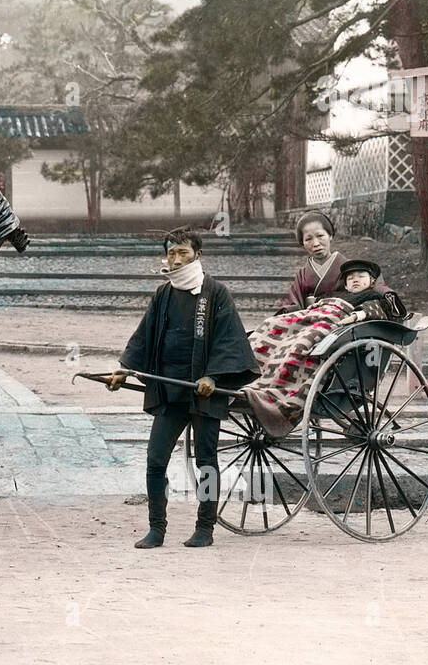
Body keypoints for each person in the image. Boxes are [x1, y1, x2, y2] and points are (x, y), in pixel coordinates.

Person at [106, 228, 258, 549]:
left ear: (197, 255)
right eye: (171, 253)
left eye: (183, 253)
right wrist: (125, 370)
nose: (176, 259)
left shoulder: (216, 293)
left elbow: (230, 341)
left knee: (206, 460)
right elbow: (143, 338)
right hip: (170, 389)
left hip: (205, 392)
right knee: (155, 458)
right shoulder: (163, 294)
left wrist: (214, 377)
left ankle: (205, 527)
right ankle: (156, 528)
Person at [243, 258, 408, 437]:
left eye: (361, 276)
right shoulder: (335, 296)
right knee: (272, 325)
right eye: (350, 277)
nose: (355, 279)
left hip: (336, 321)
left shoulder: (373, 297)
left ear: (372, 281)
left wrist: (354, 317)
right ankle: (250, 377)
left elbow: (372, 311)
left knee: (301, 343)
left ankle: (284, 388)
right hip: (315, 315)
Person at [280, 211, 388, 312]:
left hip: (343, 318)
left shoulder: (351, 268)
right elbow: (292, 303)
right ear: (302, 243)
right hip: (310, 318)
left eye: (320, 236)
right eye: (308, 239)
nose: (316, 243)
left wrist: (387, 295)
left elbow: (376, 286)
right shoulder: (302, 275)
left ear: (330, 235)